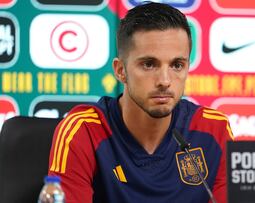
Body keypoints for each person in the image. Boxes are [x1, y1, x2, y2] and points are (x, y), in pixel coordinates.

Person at [48, 2, 234, 203]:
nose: (164, 80)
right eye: (148, 64)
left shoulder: (215, 129)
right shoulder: (83, 131)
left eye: (177, 65)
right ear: (120, 71)